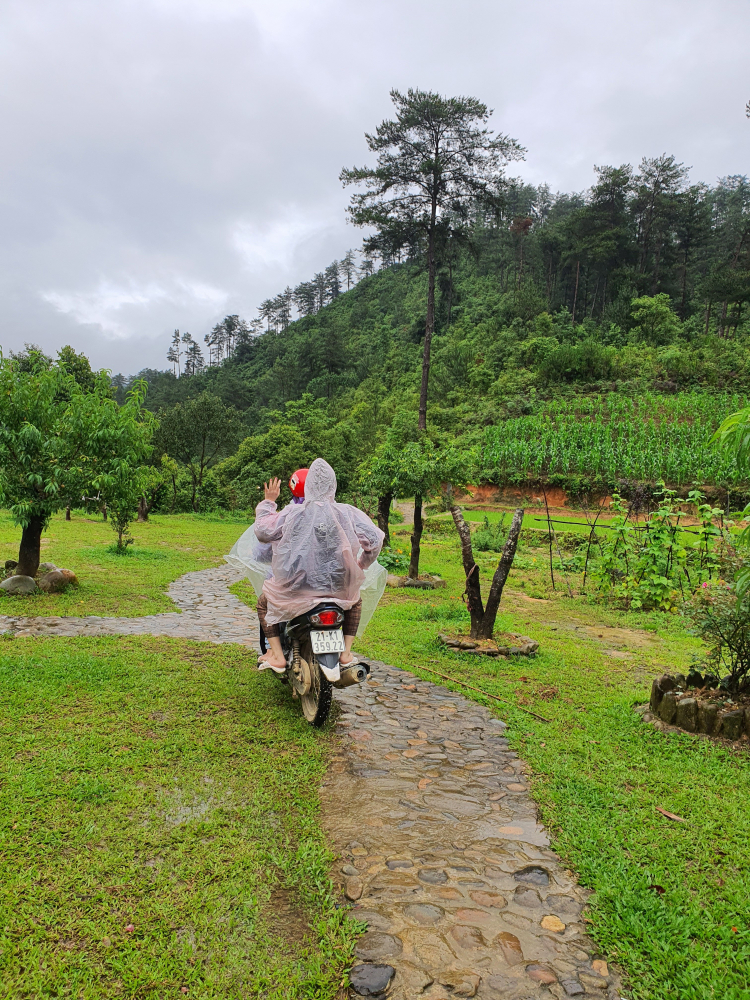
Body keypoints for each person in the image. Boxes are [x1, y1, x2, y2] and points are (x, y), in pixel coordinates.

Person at [254, 457, 384, 672]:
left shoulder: (292, 512)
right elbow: (375, 540)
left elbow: (263, 531)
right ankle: (346, 653)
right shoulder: (347, 512)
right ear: (333, 485)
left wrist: (268, 503)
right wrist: (361, 564)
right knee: (355, 601)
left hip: (295, 589)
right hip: (339, 588)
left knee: (263, 603)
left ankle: (277, 655)